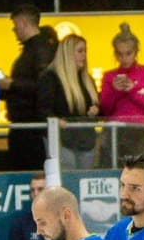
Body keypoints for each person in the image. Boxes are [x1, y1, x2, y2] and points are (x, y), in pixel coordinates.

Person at [2, 4, 59, 169]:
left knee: (30, 171)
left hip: (32, 126)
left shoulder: (39, 50)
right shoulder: (34, 49)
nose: (14, 30)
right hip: (26, 124)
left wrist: (11, 84)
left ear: (24, 22)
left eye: (15, 26)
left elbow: (44, 86)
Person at [37, 33, 101, 169]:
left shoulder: (87, 79)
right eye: (79, 51)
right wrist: (56, 121)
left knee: (84, 180)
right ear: (67, 54)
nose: (84, 55)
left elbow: (96, 105)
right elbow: (43, 109)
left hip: (86, 140)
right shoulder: (50, 78)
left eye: (85, 51)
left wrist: (94, 110)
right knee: (67, 179)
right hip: (61, 140)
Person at [97, 23, 144, 156]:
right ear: (115, 54)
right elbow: (105, 110)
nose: (124, 58)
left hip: (139, 131)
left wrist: (133, 89)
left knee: (138, 172)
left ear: (136, 52)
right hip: (114, 132)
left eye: (128, 53)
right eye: (120, 54)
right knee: (114, 173)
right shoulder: (109, 76)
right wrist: (114, 90)